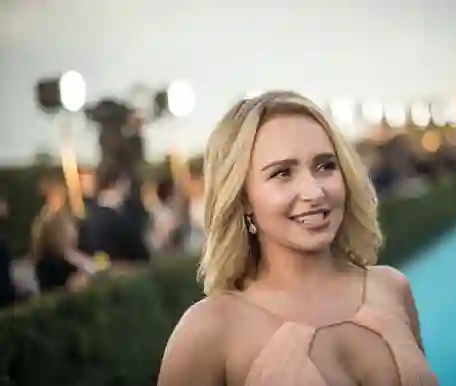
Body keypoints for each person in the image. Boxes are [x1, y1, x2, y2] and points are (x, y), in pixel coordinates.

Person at [158, 91, 438, 386]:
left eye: (325, 166)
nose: (315, 192)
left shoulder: (391, 288)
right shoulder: (208, 331)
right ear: (242, 199)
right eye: (282, 173)